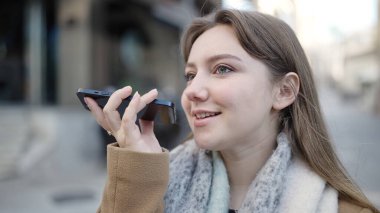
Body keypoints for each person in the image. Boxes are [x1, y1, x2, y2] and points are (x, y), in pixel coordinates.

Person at [85, 9, 379, 213]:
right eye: (190, 75)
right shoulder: (149, 185)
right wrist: (138, 171)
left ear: (284, 91)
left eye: (222, 69)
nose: (192, 91)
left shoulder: (345, 209)